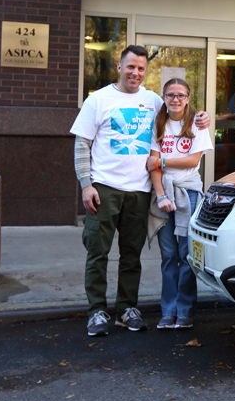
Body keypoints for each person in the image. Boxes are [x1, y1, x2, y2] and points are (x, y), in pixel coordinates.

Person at [71, 45, 210, 337]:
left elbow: (180, 115)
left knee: (131, 254)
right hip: (104, 188)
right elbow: (82, 143)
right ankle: (97, 311)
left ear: (146, 71)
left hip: (139, 192)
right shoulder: (98, 100)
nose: (135, 73)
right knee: (98, 252)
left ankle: (126, 309)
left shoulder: (154, 100)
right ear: (119, 67)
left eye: (141, 68)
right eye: (130, 67)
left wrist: (202, 118)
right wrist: (86, 184)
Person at [146, 78, 212, 330]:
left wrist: (163, 163)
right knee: (168, 255)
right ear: (163, 97)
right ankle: (167, 309)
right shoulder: (158, 123)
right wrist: (160, 194)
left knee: (186, 255)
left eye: (180, 95)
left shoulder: (197, 123)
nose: (175, 99)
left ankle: (184, 310)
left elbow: (192, 161)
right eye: (170, 95)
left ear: (187, 98)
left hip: (189, 194)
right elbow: (151, 162)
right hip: (163, 195)